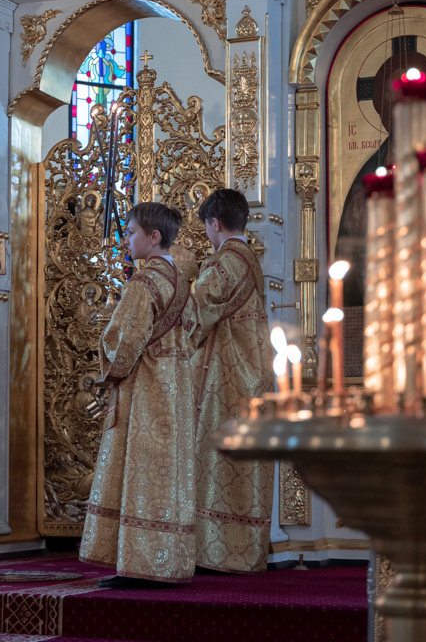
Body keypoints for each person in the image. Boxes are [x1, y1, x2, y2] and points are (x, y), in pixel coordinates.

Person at [79, 202, 202, 588]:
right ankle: (168, 561)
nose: (126, 239)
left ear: (154, 237)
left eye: (131, 232)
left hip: (146, 390)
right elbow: (195, 330)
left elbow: (124, 340)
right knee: (167, 475)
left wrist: (108, 366)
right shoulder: (182, 283)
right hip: (176, 392)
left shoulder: (144, 283)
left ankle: (142, 564)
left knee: (142, 472)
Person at [191, 188, 275, 574]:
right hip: (255, 373)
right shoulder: (252, 261)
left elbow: (197, 315)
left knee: (216, 460)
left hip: (224, 375)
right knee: (246, 465)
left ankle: (216, 553)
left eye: (207, 227)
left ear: (215, 223)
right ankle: (248, 550)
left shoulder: (223, 263)